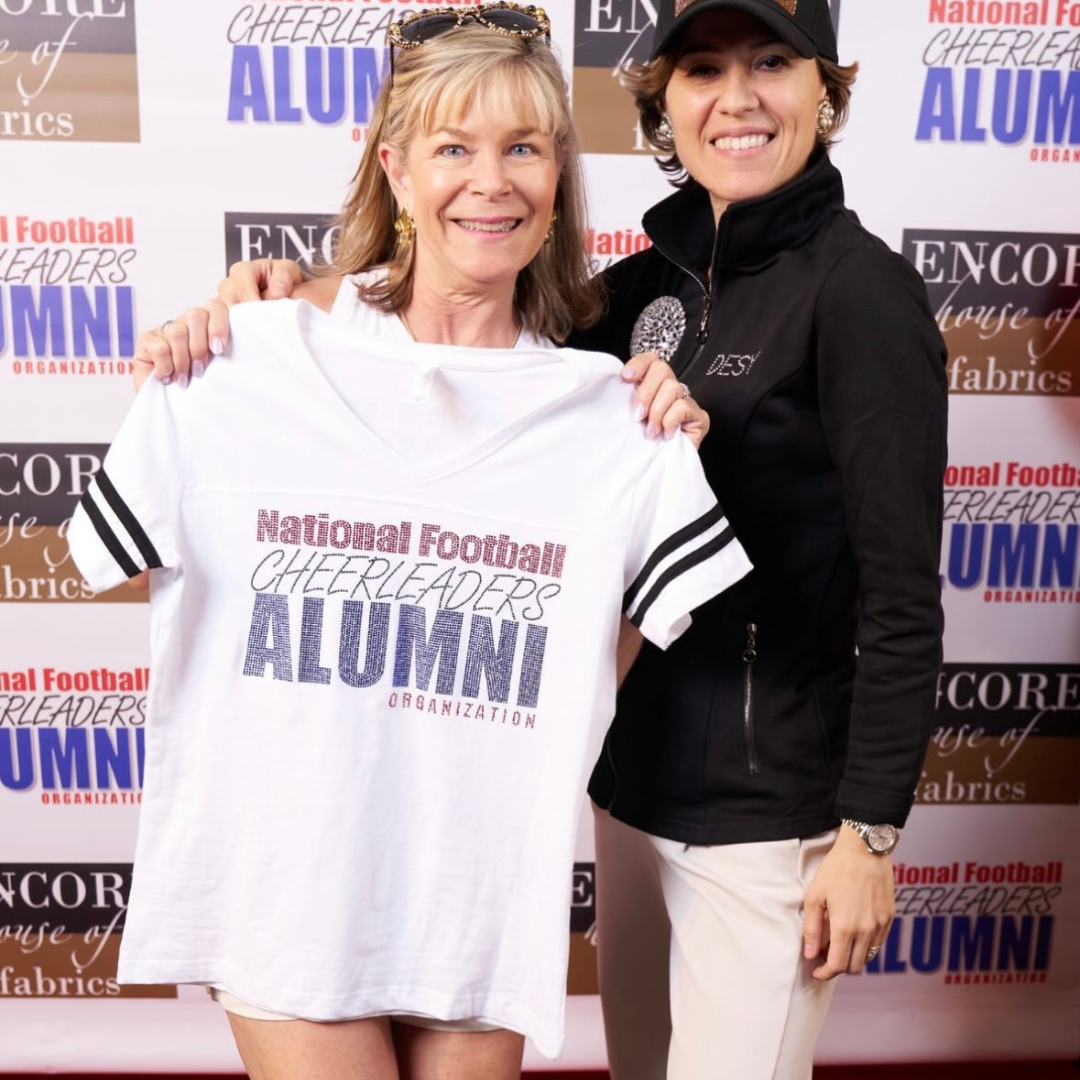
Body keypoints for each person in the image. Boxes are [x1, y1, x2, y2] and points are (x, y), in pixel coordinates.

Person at [136, 0, 949, 1076]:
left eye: (772, 65)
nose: (738, 98)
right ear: (666, 101)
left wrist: (869, 835)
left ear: (824, 89)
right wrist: (282, 304)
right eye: (704, 69)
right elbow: (451, 330)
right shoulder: (633, 293)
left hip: (764, 807)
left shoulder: (863, 294)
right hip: (626, 790)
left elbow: (902, 596)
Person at [66, 8, 753, 1080]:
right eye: (454, 147)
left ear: (562, 171)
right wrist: (217, 350)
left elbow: (603, 661)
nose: (493, 181)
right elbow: (117, 561)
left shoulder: (608, 409)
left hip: (477, 901)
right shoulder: (250, 353)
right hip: (286, 890)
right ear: (393, 167)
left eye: (524, 147)